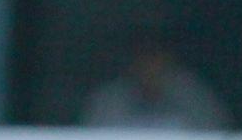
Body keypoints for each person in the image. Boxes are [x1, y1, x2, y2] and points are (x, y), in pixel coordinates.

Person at [81, 40, 229, 131]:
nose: (150, 67)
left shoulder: (194, 98)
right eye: (144, 58)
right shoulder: (108, 102)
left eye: (156, 58)